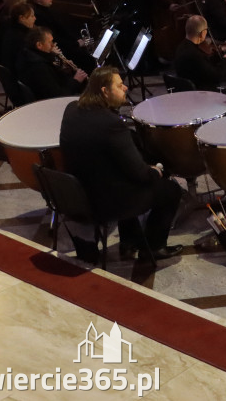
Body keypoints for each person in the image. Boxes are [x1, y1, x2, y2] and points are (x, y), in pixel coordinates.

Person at [60, 66, 183, 260]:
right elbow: (141, 175)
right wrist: (157, 171)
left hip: (77, 193)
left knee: (122, 175)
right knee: (170, 190)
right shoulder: (111, 124)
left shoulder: (72, 109)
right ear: (104, 91)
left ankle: (130, 241)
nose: (125, 88)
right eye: (119, 85)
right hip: (104, 202)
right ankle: (154, 246)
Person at [16, 26, 88, 100]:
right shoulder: (39, 66)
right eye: (50, 42)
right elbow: (58, 95)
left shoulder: (27, 53)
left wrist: (64, 70)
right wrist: (76, 80)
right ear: (39, 45)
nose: (53, 45)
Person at [174, 15, 226, 91]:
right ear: (202, 33)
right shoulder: (194, 54)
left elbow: (204, 66)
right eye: (206, 30)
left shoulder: (181, 47)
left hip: (187, 91)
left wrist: (220, 52)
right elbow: (217, 76)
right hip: (202, 94)